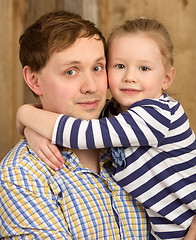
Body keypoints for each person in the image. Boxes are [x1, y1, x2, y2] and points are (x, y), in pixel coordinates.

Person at [17, 18, 196, 240]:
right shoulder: (114, 114)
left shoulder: (157, 115)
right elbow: (76, 127)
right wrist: (31, 129)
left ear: (167, 78)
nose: (130, 77)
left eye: (97, 68)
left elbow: (79, 134)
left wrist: (24, 114)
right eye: (119, 66)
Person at [0, 11, 151, 239]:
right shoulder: (21, 177)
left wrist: (26, 115)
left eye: (98, 68)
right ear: (34, 80)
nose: (91, 86)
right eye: (70, 71)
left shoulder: (140, 131)